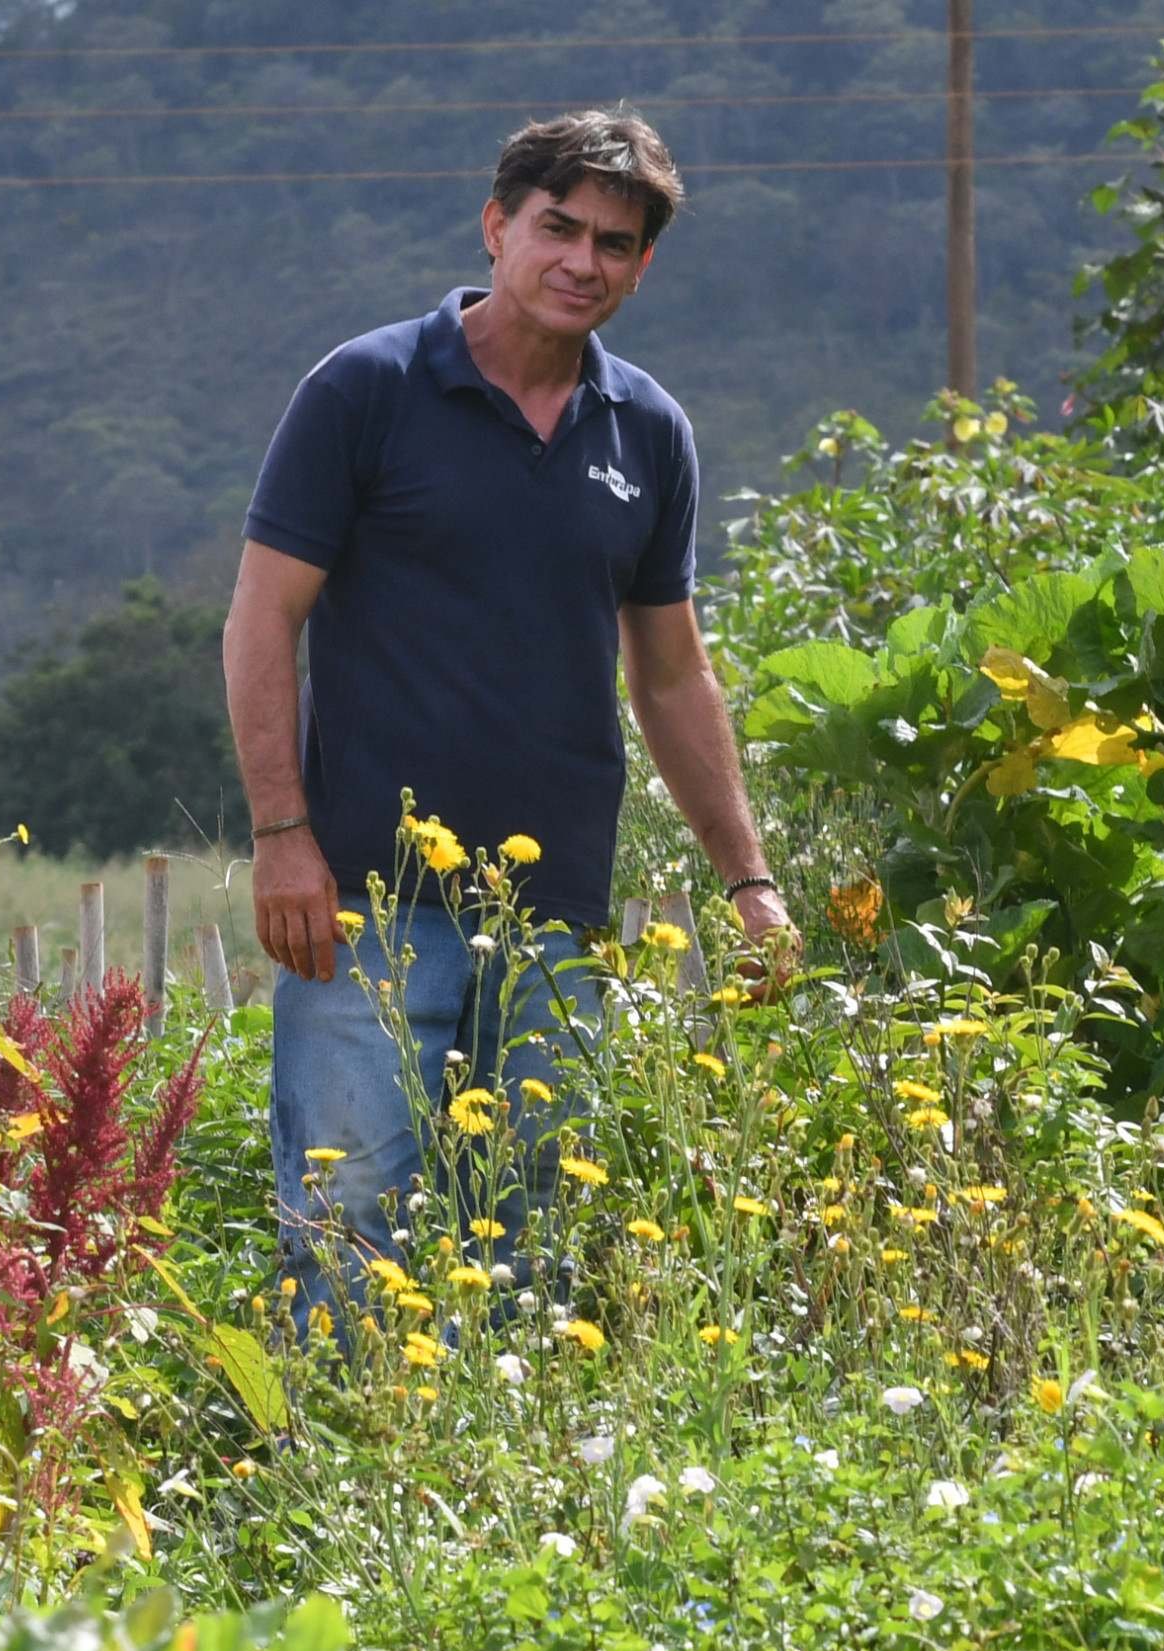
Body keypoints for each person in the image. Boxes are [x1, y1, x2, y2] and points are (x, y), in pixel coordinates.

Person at [221, 106, 797, 1344]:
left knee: (523, 1222)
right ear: (496, 226)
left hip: (554, 918)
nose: (582, 260)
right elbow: (263, 621)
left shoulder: (649, 432)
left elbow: (674, 679)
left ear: (643, 267)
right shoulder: (366, 389)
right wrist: (281, 832)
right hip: (363, 903)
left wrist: (747, 881)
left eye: (615, 243)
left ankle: (492, 1503)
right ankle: (324, 1492)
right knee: (347, 1215)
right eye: (558, 228)